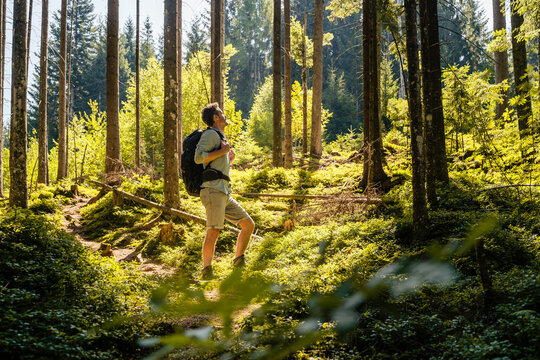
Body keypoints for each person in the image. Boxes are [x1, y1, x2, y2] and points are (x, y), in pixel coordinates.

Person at [194, 103, 255, 279]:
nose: (224, 115)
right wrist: (222, 151)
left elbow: (215, 161)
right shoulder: (211, 134)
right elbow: (198, 158)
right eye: (221, 112)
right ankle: (207, 272)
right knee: (214, 230)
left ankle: (238, 262)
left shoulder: (219, 136)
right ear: (215, 117)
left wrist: (227, 156)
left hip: (223, 192)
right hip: (213, 190)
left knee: (248, 224)